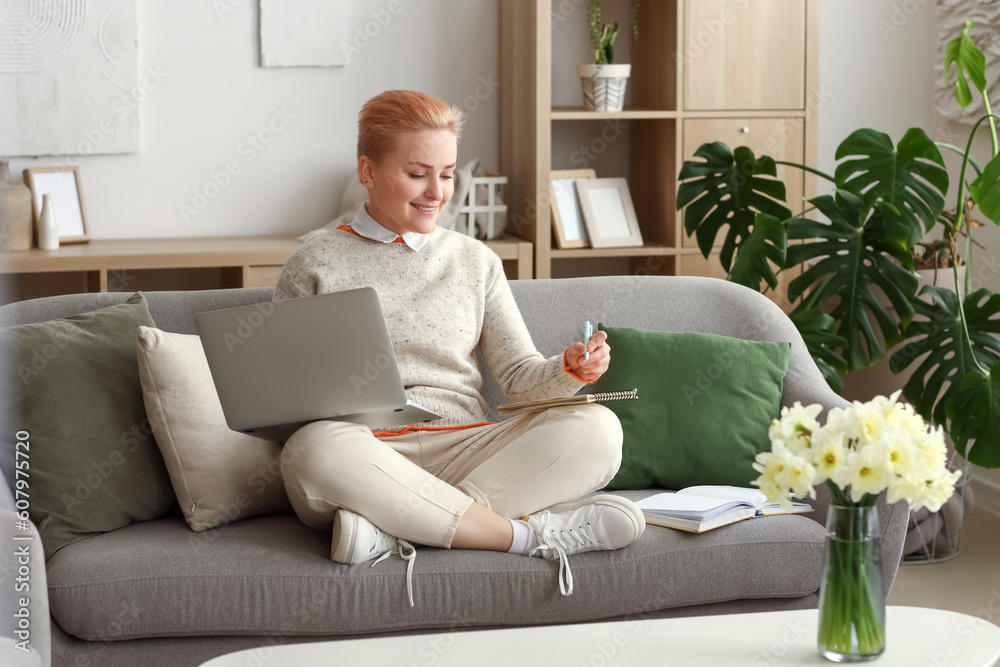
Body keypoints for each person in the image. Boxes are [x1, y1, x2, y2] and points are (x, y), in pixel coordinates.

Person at [273, 90, 644, 605]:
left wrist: (569, 370)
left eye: (447, 173)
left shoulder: (475, 261)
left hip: (467, 449)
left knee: (599, 428)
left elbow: (518, 375)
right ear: (368, 170)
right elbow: (285, 392)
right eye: (417, 173)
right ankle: (522, 537)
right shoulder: (314, 262)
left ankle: (391, 529)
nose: (436, 192)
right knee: (310, 451)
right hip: (366, 456)